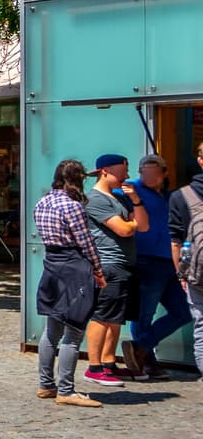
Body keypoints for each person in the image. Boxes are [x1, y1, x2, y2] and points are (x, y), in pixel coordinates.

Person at [33, 159, 104, 407]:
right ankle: (66, 390)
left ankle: (45, 385)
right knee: (73, 332)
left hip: (52, 264)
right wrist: (98, 270)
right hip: (74, 266)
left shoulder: (41, 202)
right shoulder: (72, 206)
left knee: (51, 331)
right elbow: (86, 242)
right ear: (76, 180)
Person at [84, 154, 148, 386]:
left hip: (125, 265)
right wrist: (132, 225)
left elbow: (143, 226)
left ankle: (109, 363)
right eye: (123, 171)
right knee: (103, 316)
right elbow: (124, 229)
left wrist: (137, 201)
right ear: (105, 171)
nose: (127, 176)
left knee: (116, 318)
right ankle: (94, 366)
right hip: (109, 264)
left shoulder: (122, 198)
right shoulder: (95, 199)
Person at [124, 155, 183, 379]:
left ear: (163, 173)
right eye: (143, 171)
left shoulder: (170, 196)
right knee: (143, 315)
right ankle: (146, 362)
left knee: (183, 312)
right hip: (146, 260)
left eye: (152, 172)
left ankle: (140, 348)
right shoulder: (131, 191)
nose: (146, 176)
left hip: (170, 262)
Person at [169, 158, 203, 350]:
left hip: (197, 272)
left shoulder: (180, 196)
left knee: (201, 328)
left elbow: (176, 242)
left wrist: (182, 274)